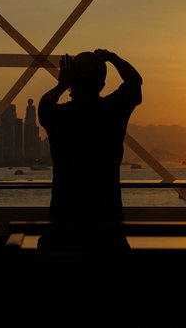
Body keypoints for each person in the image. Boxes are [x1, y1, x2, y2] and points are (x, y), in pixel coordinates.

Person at [37, 49, 142, 251]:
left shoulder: (57, 116)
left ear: (71, 83)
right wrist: (112, 57)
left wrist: (61, 85)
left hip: (63, 227)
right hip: (109, 228)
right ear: (102, 84)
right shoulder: (113, 111)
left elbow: (45, 102)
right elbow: (134, 80)